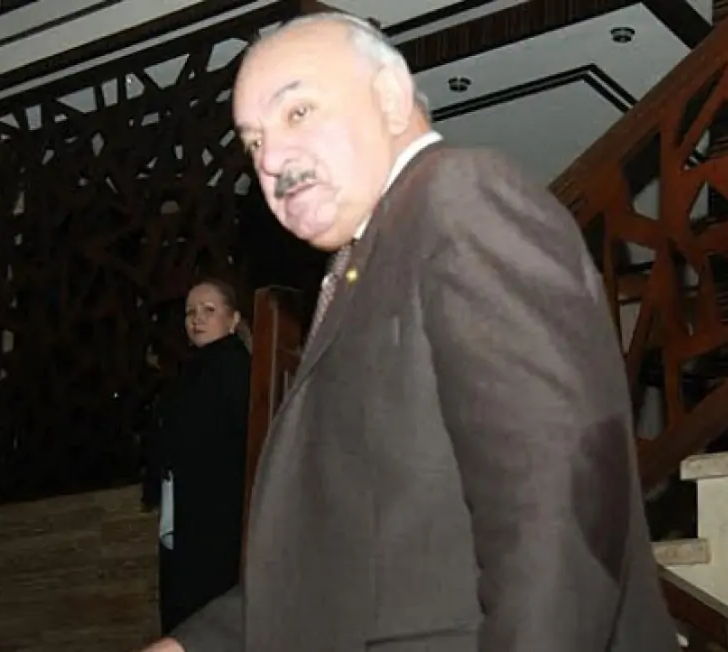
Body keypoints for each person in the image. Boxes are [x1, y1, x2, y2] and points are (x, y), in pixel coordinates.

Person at [142, 12, 678, 652]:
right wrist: (192, 645)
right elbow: (338, 560)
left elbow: (562, 501)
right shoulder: (359, 272)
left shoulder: (460, 197)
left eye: (298, 112)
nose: (272, 159)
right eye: (253, 142)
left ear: (392, 99)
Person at [141, 278, 251, 636]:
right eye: (190, 312)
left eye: (208, 310)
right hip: (190, 509)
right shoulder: (194, 370)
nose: (197, 319)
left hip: (216, 514)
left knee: (202, 613)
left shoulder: (234, 366)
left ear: (233, 319)